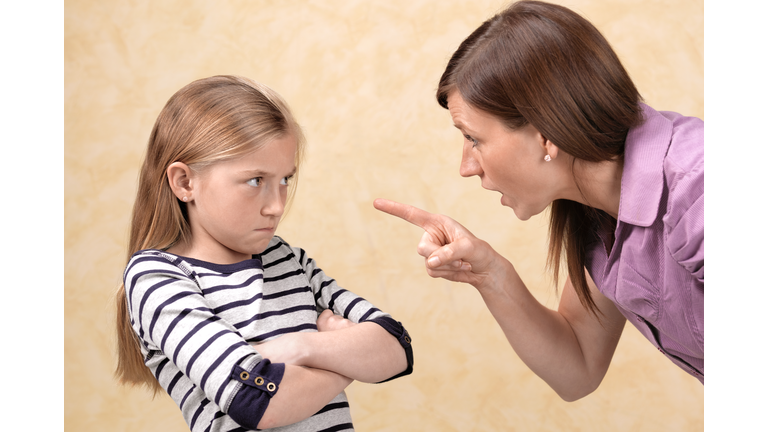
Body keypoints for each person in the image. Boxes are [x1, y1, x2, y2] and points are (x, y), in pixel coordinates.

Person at [374, 0, 702, 402]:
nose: (465, 166)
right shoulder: (601, 218)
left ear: (547, 135)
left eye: (473, 138)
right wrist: (490, 274)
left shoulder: (698, 189)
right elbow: (578, 367)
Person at [115, 75, 413, 431]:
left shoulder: (286, 258)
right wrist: (346, 357)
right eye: (255, 181)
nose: (276, 206)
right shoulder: (157, 277)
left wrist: (301, 347)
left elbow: (396, 348)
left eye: (285, 179)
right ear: (184, 182)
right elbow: (260, 402)